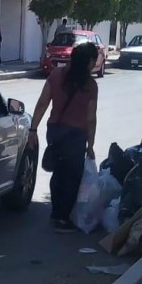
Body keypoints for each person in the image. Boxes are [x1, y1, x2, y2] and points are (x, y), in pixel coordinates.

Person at [28, 42, 99, 233]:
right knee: (71, 177)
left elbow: (43, 102)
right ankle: (61, 217)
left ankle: (55, 213)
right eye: (94, 60)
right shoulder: (90, 86)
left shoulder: (56, 75)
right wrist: (90, 145)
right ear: (88, 62)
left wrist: (33, 129)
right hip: (76, 135)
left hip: (55, 130)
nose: (95, 64)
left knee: (59, 172)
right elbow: (90, 118)